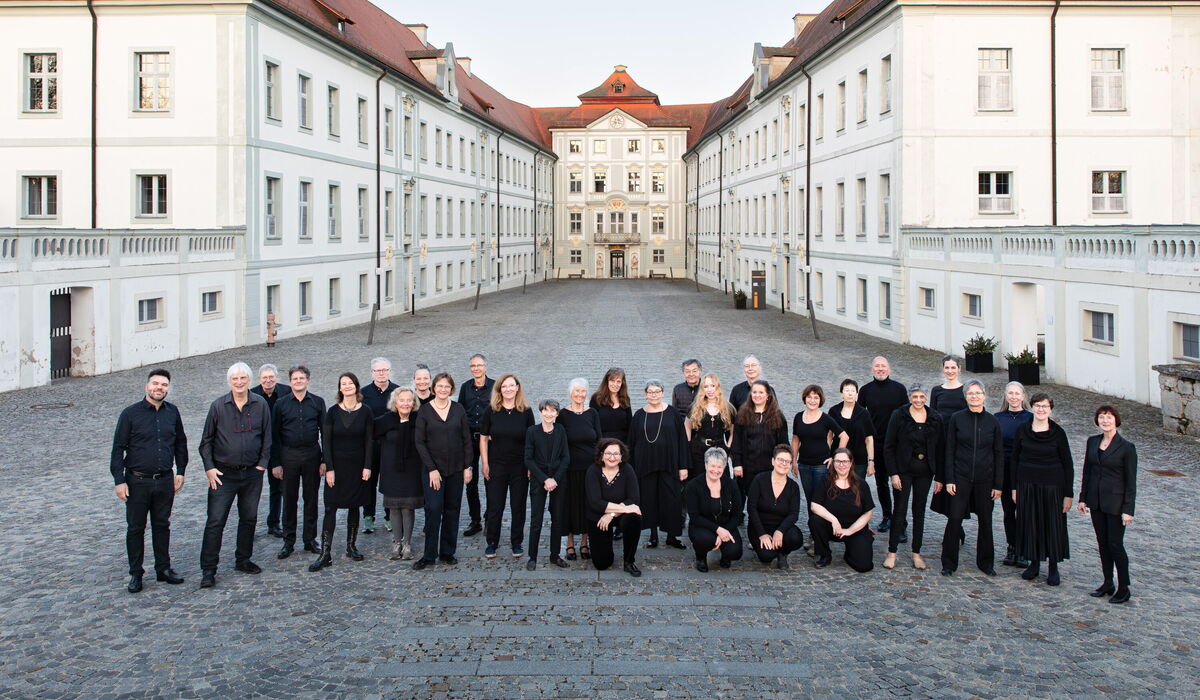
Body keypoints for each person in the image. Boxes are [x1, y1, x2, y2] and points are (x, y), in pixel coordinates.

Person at [109, 368, 188, 592]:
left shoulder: (173, 412)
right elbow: (118, 449)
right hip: (137, 481)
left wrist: (180, 470)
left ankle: (163, 569)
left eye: (163, 385)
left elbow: (180, 443)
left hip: (164, 480)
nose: (159, 388)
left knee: (162, 525)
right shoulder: (130, 414)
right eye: (155, 384)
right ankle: (136, 573)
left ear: (168, 388)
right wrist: (119, 480)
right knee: (136, 528)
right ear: (147, 386)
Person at [198, 362, 273, 589]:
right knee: (215, 521)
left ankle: (243, 559)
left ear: (249, 380)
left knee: (249, 518)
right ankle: (209, 569)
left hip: (252, 473)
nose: (239, 383)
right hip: (223, 474)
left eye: (243, 378)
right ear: (229, 381)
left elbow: (267, 437)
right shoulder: (218, 406)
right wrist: (209, 467)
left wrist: (262, 465)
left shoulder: (260, 404)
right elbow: (206, 441)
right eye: (235, 379)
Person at [308, 373, 374, 571]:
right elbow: (326, 442)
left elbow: (369, 441)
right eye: (343, 384)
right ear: (339, 388)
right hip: (337, 467)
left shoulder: (366, 411)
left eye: (350, 383)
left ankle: (351, 546)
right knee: (331, 507)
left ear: (356, 385)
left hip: (357, 466)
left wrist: (368, 466)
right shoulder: (333, 412)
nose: (347, 386)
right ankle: (325, 553)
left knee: (355, 506)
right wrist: (329, 468)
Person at [939, 379, 1003, 577]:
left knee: (985, 520)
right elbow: (949, 450)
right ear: (965, 397)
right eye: (970, 393)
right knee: (955, 518)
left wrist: (998, 484)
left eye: (978, 393)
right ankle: (949, 563)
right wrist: (949, 479)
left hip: (985, 479)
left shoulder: (992, 421)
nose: (974, 397)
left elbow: (999, 454)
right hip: (961, 477)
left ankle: (986, 562)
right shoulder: (957, 419)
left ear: (984, 396)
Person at [412, 372, 474, 570]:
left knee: (452, 510)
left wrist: (468, 466)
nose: (443, 390)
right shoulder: (425, 411)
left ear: (451, 389)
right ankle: (429, 554)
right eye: (439, 386)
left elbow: (466, 440)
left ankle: (447, 552)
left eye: (447, 387)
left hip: (456, 469)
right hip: (433, 471)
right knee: (433, 509)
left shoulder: (458, 409)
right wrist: (431, 469)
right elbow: (420, 442)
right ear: (433, 388)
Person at [1011, 393, 1073, 585]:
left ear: (1050, 409)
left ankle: (1053, 566)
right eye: (1037, 406)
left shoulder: (1058, 432)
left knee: (1052, 526)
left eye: (1045, 406)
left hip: (1053, 485)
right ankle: (1034, 563)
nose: (1040, 409)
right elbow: (1014, 459)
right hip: (1027, 484)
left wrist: (1068, 494)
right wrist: (1014, 487)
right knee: (1031, 523)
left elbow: (1067, 464)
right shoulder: (1023, 430)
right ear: (1032, 407)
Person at [1078, 405, 1137, 604]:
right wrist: (1083, 497)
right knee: (1102, 544)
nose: (1105, 421)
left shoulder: (1126, 447)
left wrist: (1128, 510)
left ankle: (1124, 587)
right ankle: (1107, 582)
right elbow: (1087, 472)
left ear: (1116, 420)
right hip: (1096, 502)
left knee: (1115, 545)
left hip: (1116, 504)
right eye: (1102, 417)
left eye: (1109, 417)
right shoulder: (1093, 442)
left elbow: (1131, 482)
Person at [882, 385, 942, 571]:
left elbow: (941, 448)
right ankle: (892, 552)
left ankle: (917, 552)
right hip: (903, 471)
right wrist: (893, 474)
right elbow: (889, 446)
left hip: (925, 472)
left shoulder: (935, 417)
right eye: (915, 396)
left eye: (922, 396)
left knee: (919, 511)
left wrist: (939, 477)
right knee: (899, 510)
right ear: (909, 397)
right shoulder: (898, 415)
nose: (918, 400)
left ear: (926, 398)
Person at [270, 365, 326, 560]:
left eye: (302, 378)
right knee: (289, 500)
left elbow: (325, 433)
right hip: (288, 456)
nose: (298, 381)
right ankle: (289, 541)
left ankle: (310, 539)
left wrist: (324, 460)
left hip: (312, 454)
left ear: (308, 380)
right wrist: (276, 462)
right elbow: (274, 435)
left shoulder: (318, 402)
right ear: (290, 381)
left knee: (311, 499)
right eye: (295, 379)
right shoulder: (281, 404)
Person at [627, 381, 690, 549]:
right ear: (645, 394)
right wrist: (630, 467)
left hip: (670, 465)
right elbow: (631, 443)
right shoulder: (639, 415)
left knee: (672, 500)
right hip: (645, 465)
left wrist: (683, 466)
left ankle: (672, 536)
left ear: (663, 393)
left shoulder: (673, 413)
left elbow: (682, 440)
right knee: (649, 501)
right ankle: (653, 536)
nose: (654, 394)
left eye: (657, 391)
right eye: (650, 392)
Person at [481, 373, 535, 558]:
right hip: (497, 465)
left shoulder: (526, 411)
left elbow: (531, 440)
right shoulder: (492, 410)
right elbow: (483, 438)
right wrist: (485, 463)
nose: (508, 389)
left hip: (519, 466)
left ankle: (516, 542)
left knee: (518, 505)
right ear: (499, 389)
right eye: (504, 386)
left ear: (517, 387)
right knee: (495, 506)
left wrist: (530, 465)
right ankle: (492, 542)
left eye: (511, 386)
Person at [858, 356, 906, 534]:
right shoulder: (865, 390)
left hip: (896, 445)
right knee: (881, 483)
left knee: (898, 483)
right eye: (877, 366)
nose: (880, 369)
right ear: (872, 369)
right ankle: (887, 516)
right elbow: (859, 417)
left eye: (883, 366)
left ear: (889, 369)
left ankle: (900, 521)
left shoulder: (899, 389)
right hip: (876, 444)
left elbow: (906, 416)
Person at [374, 387, 423, 560]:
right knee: (394, 508)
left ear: (414, 402)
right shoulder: (385, 420)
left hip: (412, 470)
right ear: (395, 402)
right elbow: (372, 437)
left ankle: (407, 544)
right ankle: (397, 543)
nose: (405, 403)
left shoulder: (418, 419)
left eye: (409, 400)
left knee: (408, 508)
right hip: (391, 470)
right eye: (402, 400)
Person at [809, 448, 875, 572]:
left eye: (845, 461)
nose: (841, 465)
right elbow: (814, 505)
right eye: (838, 461)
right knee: (815, 520)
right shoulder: (826, 481)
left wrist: (850, 530)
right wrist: (834, 520)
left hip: (855, 529)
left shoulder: (861, 484)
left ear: (851, 463)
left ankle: (850, 552)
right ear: (833, 463)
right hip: (832, 528)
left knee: (864, 566)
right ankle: (824, 554)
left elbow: (868, 512)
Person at [584, 438, 643, 577]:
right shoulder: (593, 471)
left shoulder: (627, 469)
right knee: (602, 564)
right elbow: (595, 502)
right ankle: (606, 549)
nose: (612, 457)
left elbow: (634, 499)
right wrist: (626, 508)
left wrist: (611, 514)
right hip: (598, 516)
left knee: (634, 518)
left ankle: (629, 561)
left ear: (622, 456)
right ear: (601, 455)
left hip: (619, 515)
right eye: (608, 453)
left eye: (616, 454)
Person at [524, 399, 570, 570]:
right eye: (546, 410)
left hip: (558, 479)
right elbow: (528, 459)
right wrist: (545, 479)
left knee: (557, 518)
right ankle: (532, 557)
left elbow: (566, 457)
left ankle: (555, 555)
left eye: (553, 411)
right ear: (541, 412)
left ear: (557, 414)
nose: (549, 414)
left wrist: (555, 479)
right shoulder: (532, 431)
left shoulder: (561, 430)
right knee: (536, 518)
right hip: (539, 478)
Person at [559, 378, 601, 560]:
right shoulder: (562, 415)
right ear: (570, 393)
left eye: (583, 391)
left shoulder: (592, 413)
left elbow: (599, 439)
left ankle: (585, 542)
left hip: (589, 468)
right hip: (568, 468)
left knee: (587, 504)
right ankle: (569, 543)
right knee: (569, 504)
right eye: (576, 391)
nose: (579, 394)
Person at [684, 447, 744, 571]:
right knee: (704, 539)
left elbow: (737, 515)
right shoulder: (693, 486)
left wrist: (724, 532)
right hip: (702, 526)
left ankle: (726, 556)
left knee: (735, 552)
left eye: (719, 467)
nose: (716, 470)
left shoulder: (731, 485)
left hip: (726, 525)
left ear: (724, 468)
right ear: (705, 465)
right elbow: (695, 517)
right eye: (712, 466)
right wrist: (717, 530)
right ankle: (701, 557)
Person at [791, 384, 849, 511]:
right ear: (805, 398)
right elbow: (795, 440)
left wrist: (835, 458)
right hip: (803, 465)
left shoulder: (826, 418)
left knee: (820, 499)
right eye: (810, 397)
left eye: (816, 398)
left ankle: (821, 528)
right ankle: (813, 528)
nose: (812, 400)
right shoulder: (798, 417)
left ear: (820, 400)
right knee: (809, 499)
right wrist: (794, 461)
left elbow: (844, 436)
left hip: (821, 466)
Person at [746, 446, 805, 569]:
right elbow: (751, 508)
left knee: (796, 538)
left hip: (781, 527)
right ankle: (769, 548)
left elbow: (794, 514)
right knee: (766, 557)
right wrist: (762, 533)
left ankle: (782, 553)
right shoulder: (759, 480)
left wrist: (780, 531)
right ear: (773, 461)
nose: (783, 464)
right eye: (780, 460)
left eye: (787, 461)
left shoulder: (793, 487)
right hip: (759, 528)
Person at [732, 380, 789, 505]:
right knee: (750, 498)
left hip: (770, 467)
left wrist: (781, 464)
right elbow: (736, 442)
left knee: (766, 498)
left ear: (768, 395)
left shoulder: (778, 416)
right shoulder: (742, 414)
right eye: (754, 392)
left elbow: (784, 444)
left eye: (761, 392)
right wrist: (737, 464)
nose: (757, 395)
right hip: (748, 467)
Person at [996, 381, 1033, 567]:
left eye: (1017, 393)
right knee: (1008, 510)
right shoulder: (998, 418)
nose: (1014, 397)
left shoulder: (1030, 418)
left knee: (1024, 510)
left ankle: (1024, 548)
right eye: (1010, 393)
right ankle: (1012, 546)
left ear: (1023, 396)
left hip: (1024, 469)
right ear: (1006, 396)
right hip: (1005, 469)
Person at [457, 354, 494, 538]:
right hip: (470, 439)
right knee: (470, 481)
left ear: (485, 367)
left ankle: (490, 519)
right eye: (473, 365)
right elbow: (460, 412)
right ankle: (475, 520)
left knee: (490, 479)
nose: (476, 368)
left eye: (479, 365)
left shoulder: (495, 387)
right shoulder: (465, 387)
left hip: (489, 439)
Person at [361, 357, 398, 534]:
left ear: (389, 371)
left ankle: (389, 516)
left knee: (390, 482)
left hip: (391, 444)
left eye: (384, 370)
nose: (381, 373)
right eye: (378, 370)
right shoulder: (364, 393)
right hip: (371, 444)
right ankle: (368, 516)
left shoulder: (397, 391)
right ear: (372, 373)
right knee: (369, 481)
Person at [252, 364, 284, 538]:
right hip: (257, 449)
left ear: (277, 378)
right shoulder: (252, 394)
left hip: (278, 447)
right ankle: (249, 524)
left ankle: (274, 523)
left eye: (271, 377)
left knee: (277, 487)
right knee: (251, 490)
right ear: (259, 379)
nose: (268, 380)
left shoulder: (286, 392)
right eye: (264, 378)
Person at [685, 373, 735, 482]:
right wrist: (688, 446)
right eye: (706, 386)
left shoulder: (728, 408)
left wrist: (728, 447)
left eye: (713, 386)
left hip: (720, 449)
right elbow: (687, 427)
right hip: (698, 450)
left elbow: (733, 432)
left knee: (721, 481)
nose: (710, 390)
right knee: (698, 481)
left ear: (718, 387)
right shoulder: (695, 407)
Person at [827, 379, 876, 489]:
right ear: (841, 394)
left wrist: (871, 461)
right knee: (835, 487)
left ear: (857, 394)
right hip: (838, 458)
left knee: (857, 489)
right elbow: (829, 435)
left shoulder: (864, 413)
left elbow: (869, 439)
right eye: (847, 390)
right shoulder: (834, 411)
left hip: (859, 460)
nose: (850, 393)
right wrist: (829, 454)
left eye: (853, 391)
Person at [590, 368, 633, 440]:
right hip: (602, 443)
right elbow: (592, 424)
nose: (615, 384)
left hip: (622, 444)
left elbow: (630, 425)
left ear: (622, 383)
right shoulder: (596, 398)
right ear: (607, 381)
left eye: (618, 381)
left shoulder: (625, 399)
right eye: (612, 380)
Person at [929, 355, 966, 423]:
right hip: (942, 431)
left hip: (960, 431)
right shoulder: (936, 390)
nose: (950, 371)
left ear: (959, 368)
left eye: (953, 368)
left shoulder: (966, 390)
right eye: (947, 368)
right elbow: (932, 415)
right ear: (943, 369)